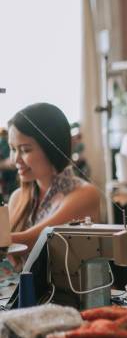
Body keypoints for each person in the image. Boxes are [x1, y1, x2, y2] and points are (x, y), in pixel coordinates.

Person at [7, 103, 100, 249]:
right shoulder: (17, 198)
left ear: (51, 148)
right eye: (13, 149)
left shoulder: (85, 194)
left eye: (25, 150)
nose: (15, 159)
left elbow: (33, 241)